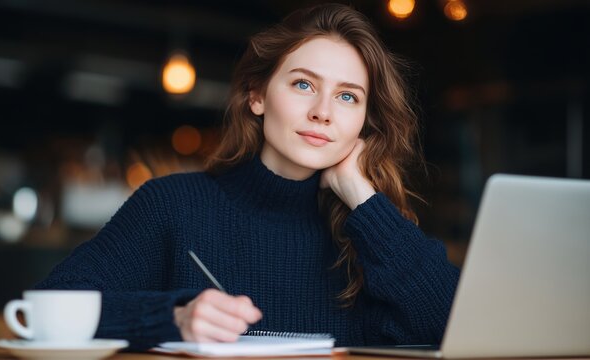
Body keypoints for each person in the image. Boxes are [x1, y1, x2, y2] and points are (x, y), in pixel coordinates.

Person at [36, 3, 460, 351]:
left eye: (347, 96)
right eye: (303, 85)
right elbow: (52, 309)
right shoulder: (173, 204)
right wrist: (173, 318)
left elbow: (454, 326)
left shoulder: (370, 232)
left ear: (364, 120)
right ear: (257, 95)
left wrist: (361, 197)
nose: (324, 112)